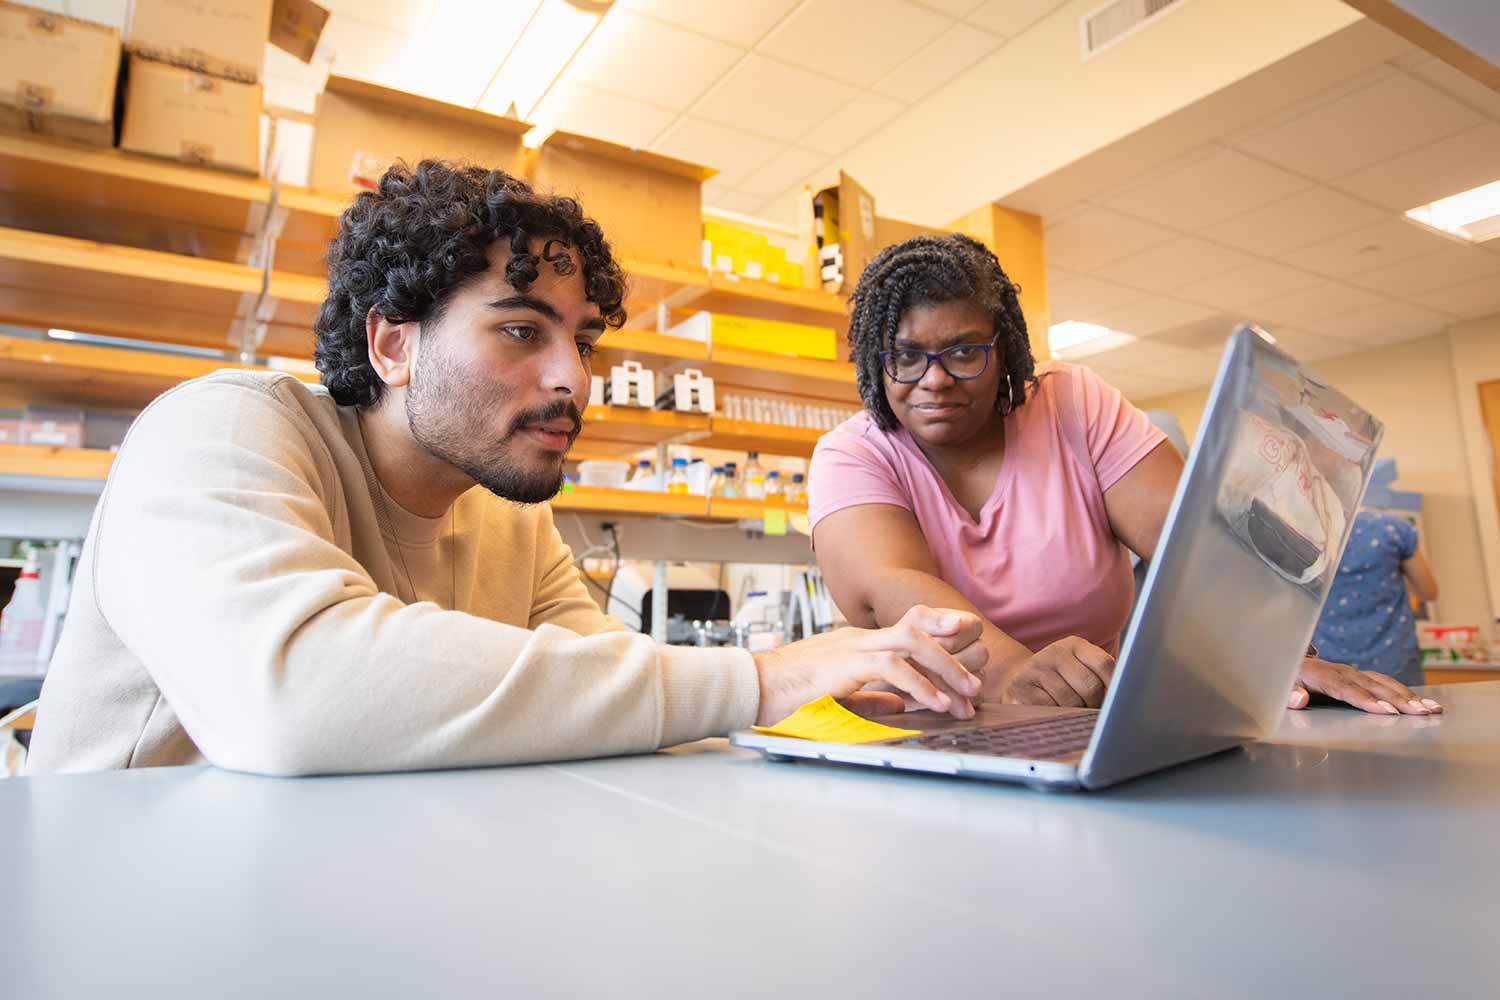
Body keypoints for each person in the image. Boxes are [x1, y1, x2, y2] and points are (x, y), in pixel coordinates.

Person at [25, 161, 986, 777]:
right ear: (393, 345)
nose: (574, 379)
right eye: (522, 330)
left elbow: (618, 692)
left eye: (584, 342)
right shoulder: (220, 428)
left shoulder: (509, 515)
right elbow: (292, 696)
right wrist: (765, 678)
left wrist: (831, 711)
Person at [809, 234, 1442, 720]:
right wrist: (1012, 675)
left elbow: (1189, 541)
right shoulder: (852, 455)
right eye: (906, 356)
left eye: (964, 351)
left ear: (1004, 350)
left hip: (1090, 722)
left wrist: (1274, 655)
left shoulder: (1070, 404)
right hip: (928, 730)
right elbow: (893, 584)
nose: (936, 378)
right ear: (875, 362)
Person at [1312, 510, 1439, 688]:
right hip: (1394, 662)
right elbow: (1428, 592)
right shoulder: (1392, 528)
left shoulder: (1310, 533)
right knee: (1407, 704)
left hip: (1329, 665)